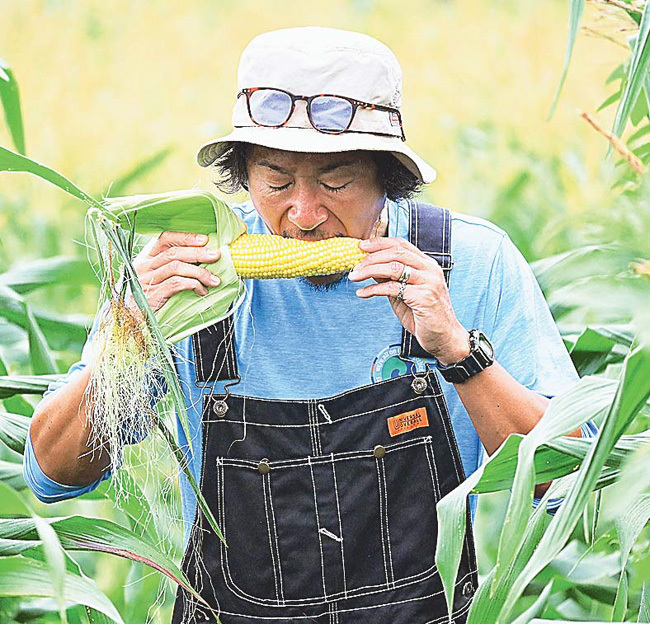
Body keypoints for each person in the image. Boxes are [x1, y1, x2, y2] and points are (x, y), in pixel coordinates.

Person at [25, 27, 593, 624]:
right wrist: (130, 339)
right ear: (243, 174)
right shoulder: (186, 278)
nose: (302, 215)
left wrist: (458, 352)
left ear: (386, 177)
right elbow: (52, 475)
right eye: (275, 181)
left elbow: (564, 481)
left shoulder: (470, 263)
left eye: (335, 183)